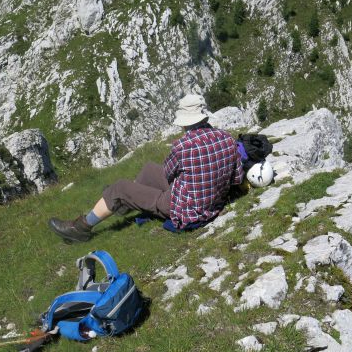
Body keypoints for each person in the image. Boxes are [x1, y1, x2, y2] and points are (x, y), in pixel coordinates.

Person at [48, 94, 244, 242]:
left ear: (186, 122)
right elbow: (236, 178)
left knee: (120, 187)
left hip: (185, 210)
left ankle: (81, 228)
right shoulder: (226, 138)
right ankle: (122, 203)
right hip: (212, 201)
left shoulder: (182, 146)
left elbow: (169, 174)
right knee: (150, 169)